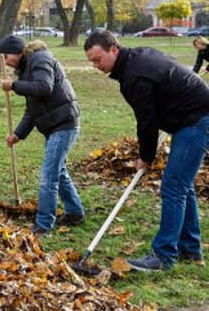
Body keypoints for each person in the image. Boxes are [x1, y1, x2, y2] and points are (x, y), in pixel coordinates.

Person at [84, 31, 209, 271]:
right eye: (91, 61)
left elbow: (147, 121)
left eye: (97, 59)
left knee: (174, 187)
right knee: (182, 186)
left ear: (113, 50)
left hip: (196, 120)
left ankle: (163, 256)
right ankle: (191, 250)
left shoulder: (134, 76)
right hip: (189, 117)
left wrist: (146, 156)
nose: (95, 66)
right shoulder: (137, 58)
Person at [0, 35, 84, 235]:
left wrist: (14, 86)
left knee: (48, 175)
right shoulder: (27, 70)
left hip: (64, 124)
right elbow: (32, 110)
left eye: (7, 56)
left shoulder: (40, 58)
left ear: (17, 51)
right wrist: (17, 135)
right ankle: (74, 212)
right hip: (54, 125)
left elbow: (45, 87)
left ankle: (44, 225)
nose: (7, 62)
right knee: (58, 171)